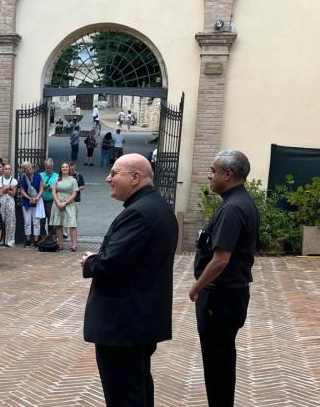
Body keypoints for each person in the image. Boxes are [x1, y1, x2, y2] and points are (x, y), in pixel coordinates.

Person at [80, 153, 178, 407]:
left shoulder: (139, 213)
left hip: (123, 324)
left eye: (114, 173)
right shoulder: (157, 207)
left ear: (135, 177)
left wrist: (91, 261)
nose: (108, 178)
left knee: (124, 395)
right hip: (138, 321)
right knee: (136, 388)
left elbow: (112, 263)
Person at [190, 150, 259, 407]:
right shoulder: (239, 201)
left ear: (228, 174)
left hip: (221, 296)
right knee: (220, 358)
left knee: (218, 361)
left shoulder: (233, 208)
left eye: (214, 170)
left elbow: (221, 259)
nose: (210, 175)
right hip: (230, 294)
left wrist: (196, 288)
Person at [48, 162, 78, 252]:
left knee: (72, 224)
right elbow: (53, 192)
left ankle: (74, 245)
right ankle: (60, 244)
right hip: (57, 203)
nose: (64, 168)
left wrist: (65, 203)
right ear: (60, 169)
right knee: (59, 224)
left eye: (66, 167)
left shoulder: (73, 180)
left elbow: (74, 193)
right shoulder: (57, 179)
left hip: (69, 203)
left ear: (69, 169)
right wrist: (58, 203)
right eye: (63, 167)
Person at [18, 161, 43, 246]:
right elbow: (22, 190)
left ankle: (36, 241)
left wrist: (36, 198)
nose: (28, 168)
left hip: (37, 201)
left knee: (36, 222)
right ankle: (28, 240)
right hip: (26, 202)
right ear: (24, 170)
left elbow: (41, 188)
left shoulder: (38, 176)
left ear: (31, 166)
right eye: (25, 167)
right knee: (27, 222)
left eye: (28, 166)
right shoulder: (23, 177)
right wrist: (29, 198)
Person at [0, 163, 17, 247]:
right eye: (6, 169)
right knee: (0, 219)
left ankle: (10, 241)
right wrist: (6, 189)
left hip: (10, 201)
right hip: (0, 201)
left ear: (11, 170)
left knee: (10, 220)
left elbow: (13, 194)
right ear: (3, 170)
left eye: (9, 169)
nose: (7, 170)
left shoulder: (14, 181)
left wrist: (5, 190)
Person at [39, 158, 58, 240]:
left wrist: (53, 188)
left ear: (52, 167)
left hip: (51, 200)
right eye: (47, 167)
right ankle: (42, 236)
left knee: (51, 219)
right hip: (41, 200)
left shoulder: (56, 176)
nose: (48, 169)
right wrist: (43, 186)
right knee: (41, 219)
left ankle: (52, 237)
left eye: (49, 168)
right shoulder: (40, 175)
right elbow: (37, 186)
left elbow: (59, 187)